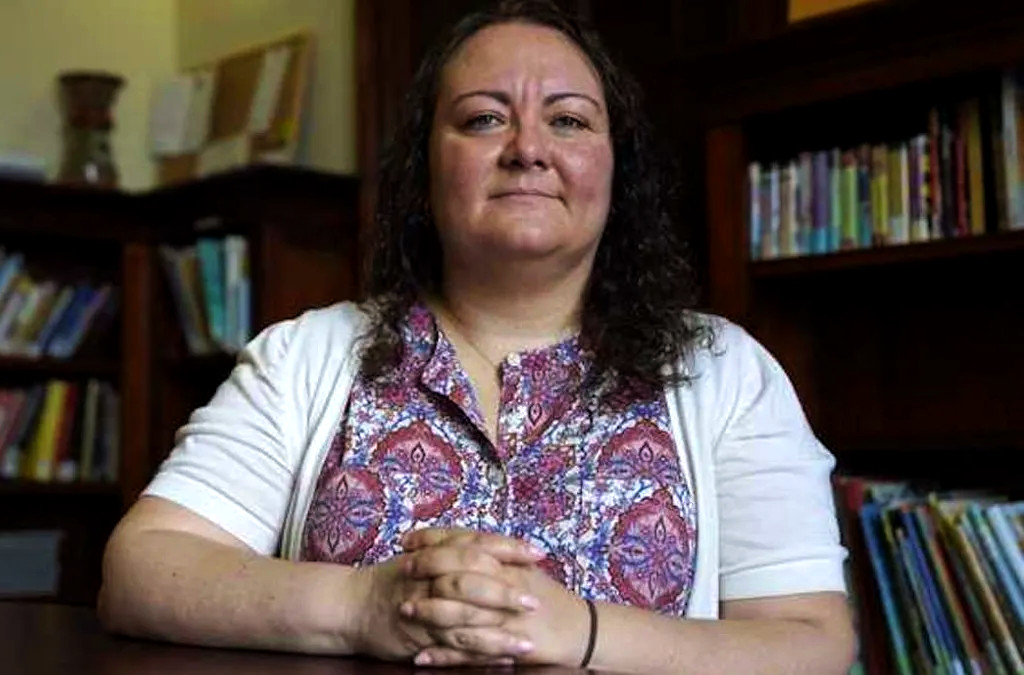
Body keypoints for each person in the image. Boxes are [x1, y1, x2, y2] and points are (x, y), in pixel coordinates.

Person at [98, 1, 856, 672]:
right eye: (484, 118)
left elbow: (810, 639)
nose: (528, 147)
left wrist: (579, 630)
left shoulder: (724, 371)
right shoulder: (305, 356)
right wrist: (364, 606)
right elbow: (141, 570)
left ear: (614, 173)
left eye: (568, 119)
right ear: (425, 174)